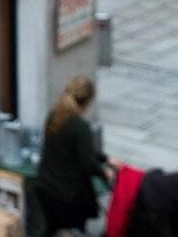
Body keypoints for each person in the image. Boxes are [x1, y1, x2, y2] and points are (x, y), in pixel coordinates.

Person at [32, 76, 116, 237]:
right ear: (87, 102)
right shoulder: (81, 127)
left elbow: (77, 149)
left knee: (51, 230)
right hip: (68, 196)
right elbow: (87, 162)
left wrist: (105, 158)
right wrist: (105, 172)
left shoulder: (54, 116)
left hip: (45, 188)